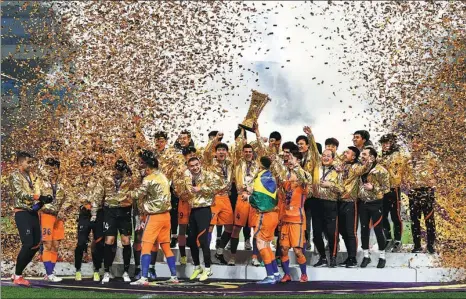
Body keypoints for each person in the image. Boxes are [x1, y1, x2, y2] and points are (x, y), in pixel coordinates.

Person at [130, 150, 179, 285]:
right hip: (166, 217)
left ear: (147, 165)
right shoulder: (163, 176)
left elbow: (138, 194)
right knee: (166, 247)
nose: (140, 166)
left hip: (154, 216)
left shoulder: (148, 179)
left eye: (142, 163)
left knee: (145, 245)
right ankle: (174, 276)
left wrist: (127, 193)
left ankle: (144, 278)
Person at [9, 151, 53, 286]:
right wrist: (38, 197)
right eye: (28, 162)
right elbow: (20, 193)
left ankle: (17, 273)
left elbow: (37, 192)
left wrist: (44, 199)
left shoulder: (32, 176)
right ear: (20, 162)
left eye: (31, 162)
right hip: (22, 212)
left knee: (35, 245)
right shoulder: (14, 176)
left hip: (33, 212)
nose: (30, 165)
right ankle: (18, 276)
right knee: (28, 243)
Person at [271, 149, 312, 283]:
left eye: (292, 158)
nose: (289, 161)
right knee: (283, 249)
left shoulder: (304, 176)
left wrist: (297, 167)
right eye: (288, 159)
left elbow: (305, 180)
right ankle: (287, 274)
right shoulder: (285, 177)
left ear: (298, 160)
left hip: (297, 219)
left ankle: (304, 274)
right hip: (284, 218)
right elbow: (277, 172)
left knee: (297, 250)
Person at [184, 157, 226, 281]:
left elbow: (218, 187)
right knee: (191, 240)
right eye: (192, 166)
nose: (195, 167)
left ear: (200, 164)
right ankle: (197, 267)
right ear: (188, 166)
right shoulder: (187, 177)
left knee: (202, 239)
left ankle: (208, 268)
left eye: (196, 165)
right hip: (193, 210)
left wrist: (201, 188)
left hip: (204, 209)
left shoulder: (208, 175)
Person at [244, 157, 280, 284]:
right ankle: (275, 273)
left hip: (265, 214)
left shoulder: (260, 179)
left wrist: (248, 197)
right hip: (273, 215)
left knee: (260, 244)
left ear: (260, 166)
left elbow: (260, 200)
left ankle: (270, 276)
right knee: (266, 244)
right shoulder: (270, 176)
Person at [100, 159, 134, 283]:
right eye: (117, 169)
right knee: (109, 240)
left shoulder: (130, 179)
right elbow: (100, 193)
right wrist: (95, 211)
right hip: (110, 211)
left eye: (121, 170)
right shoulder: (106, 177)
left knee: (126, 240)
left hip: (125, 211)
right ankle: (107, 271)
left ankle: (126, 271)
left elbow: (135, 194)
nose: (119, 172)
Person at [336, 146, 371, 268]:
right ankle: (349, 257)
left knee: (351, 231)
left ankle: (353, 258)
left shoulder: (356, 166)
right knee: (342, 230)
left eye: (348, 152)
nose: (345, 154)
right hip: (339, 201)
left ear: (354, 156)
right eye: (345, 152)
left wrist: (367, 160)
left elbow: (364, 168)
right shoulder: (342, 165)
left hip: (351, 202)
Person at [203, 136, 235, 265]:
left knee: (230, 227)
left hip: (226, 198)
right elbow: (206, 152)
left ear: (227, 152)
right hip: (214, 198)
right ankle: (206, 256)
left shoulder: (230, 164)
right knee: (210, 227)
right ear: (215, 152)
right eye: (219, 150)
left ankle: (219, 252)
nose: (221, 152)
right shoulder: (210, 163)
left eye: (223, 150)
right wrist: (215, 139)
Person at [358, 147, 390, 269]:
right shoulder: (360, 169)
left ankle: (382, 256)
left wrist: (374, 188)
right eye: (361, 154)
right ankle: (366, 255)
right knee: (364, 230)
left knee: (378, 229)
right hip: (363, 203)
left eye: (364, 154)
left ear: (372, 157)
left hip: (376, 203)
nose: (362, 157)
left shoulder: (381, 170)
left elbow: (387, 188)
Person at [38, 158, 69, 282]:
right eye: (48, 167)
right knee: (47, 244)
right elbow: (36, 198)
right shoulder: (40, 182)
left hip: (59, 217)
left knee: (55, 246)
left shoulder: (64, 183)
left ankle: (49, 273)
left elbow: (70, 198)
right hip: (46, 215)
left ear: (58, 169)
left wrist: (63, 210)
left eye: (54, 167)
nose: (51, 170)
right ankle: (50, 274)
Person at [406, 135, 439, 254]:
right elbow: (402, 173)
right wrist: (406, 182)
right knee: (415, 219)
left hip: (427, 191)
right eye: (413, 142)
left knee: (429, 219)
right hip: (413, 192)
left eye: (418, 142)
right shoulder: (407, 158)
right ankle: (417, 245)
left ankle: (430, 245)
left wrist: (435, 180)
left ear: (423, 143)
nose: (415, 144)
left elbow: (440, 172)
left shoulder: (431, 157)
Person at [229, 143, 260, 265]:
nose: (248, 153)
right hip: (241, 198)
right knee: (236, 228)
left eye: (250, 151)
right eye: (245, 151)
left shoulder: (258, 165)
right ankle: (232, 257)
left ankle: (255, 257)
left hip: (253, 198)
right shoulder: (237, 164)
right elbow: (236, 146)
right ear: (242, 153)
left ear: (253, 153)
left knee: (256, 229)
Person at [378, 134, 410, 252]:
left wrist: (387, 167)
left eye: (388, 143)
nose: (385, 145)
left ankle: (398, 239)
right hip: (381, 190)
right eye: (383, 143)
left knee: (395, 215)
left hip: (393, 188)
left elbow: (400, 171)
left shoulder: (400, 155)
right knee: (382, 215)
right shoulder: (379, 155)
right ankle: (387, 238)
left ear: (393, 143)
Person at [311, 150, 343, 268]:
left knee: (331, 233)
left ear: (333, 158)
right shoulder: (316, 168)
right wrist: (310, 135)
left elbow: (342, 189)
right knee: (316, 233)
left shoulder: (337, 171)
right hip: (316, 202)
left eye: (328, 156)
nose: (325, 157)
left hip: (330, 203)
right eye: (323, 155)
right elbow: (313, 151)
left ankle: (333, 257)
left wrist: (330, 185)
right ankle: (323, 257)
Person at [75, 158, 105, 282]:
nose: (86, 169)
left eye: (89, 166)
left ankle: (97, 270)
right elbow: (75, 196)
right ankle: (77, 270)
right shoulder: (78, 181)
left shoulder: (99, 180)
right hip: (84, 215)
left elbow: (103, 195)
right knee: (81, 243)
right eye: (84, 166)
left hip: (98, 214)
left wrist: (95, 205)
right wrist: (83, 204)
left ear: (93, 167)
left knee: (98, 243)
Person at [172, 146, 197, 264]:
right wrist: (180, 194)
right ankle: (182, 256)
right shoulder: (179, 170)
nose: (191, 155)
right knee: (182, 228)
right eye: (188, 154)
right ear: (184, 157)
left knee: (195, 229)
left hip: (196, 202)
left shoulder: (199, 167)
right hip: (184, 202)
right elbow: (174, 186)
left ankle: (195, 256)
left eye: (193, 153)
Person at [296, 126, 320, 252]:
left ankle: (316, 245)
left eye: (302, 144)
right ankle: (305, 243)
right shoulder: (298, 159)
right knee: (303, 221)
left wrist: (310, 135)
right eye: (298, 144)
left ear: (308, 145)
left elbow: (315, 149)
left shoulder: (313, 156)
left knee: (314, 220)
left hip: (312, 194)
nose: (299, 146)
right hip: (300, 194)